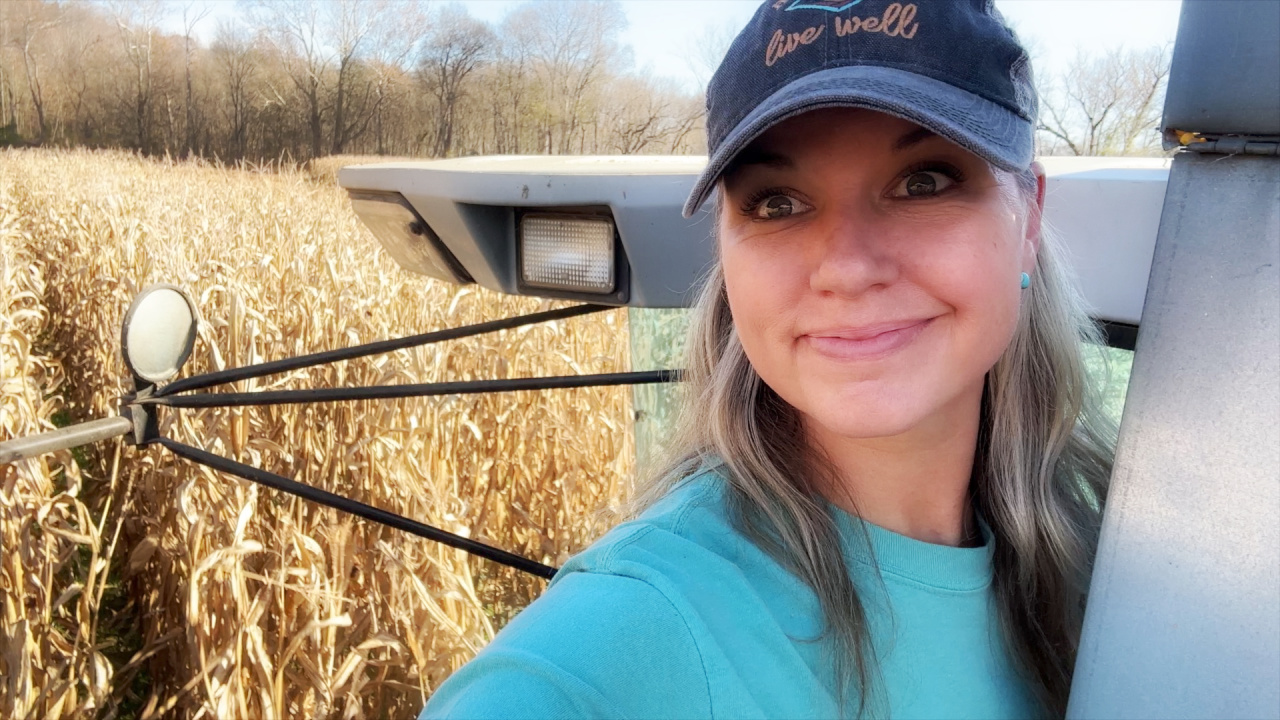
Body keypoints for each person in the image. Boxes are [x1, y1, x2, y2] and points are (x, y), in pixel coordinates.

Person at [423, 1, 1116, 717]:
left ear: (1029, 216)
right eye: (777, 202)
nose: (846, 268)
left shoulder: (1114, 571)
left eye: (925, 182)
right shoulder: (602, 659)